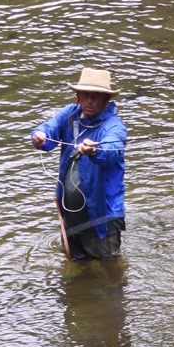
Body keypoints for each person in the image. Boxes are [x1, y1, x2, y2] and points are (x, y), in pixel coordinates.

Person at [31, 68, 127, 260]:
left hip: (102, 219)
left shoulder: (114, 126)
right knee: (73, 273)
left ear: (106, 100)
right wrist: (39, 136)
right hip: (70, 219)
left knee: (109, 277)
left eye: (96, 96)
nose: (89, 101)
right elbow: (48, 129)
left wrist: (94, 150)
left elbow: (113, 149)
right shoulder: (69, 115)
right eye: (85, 95)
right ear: (78, 96)